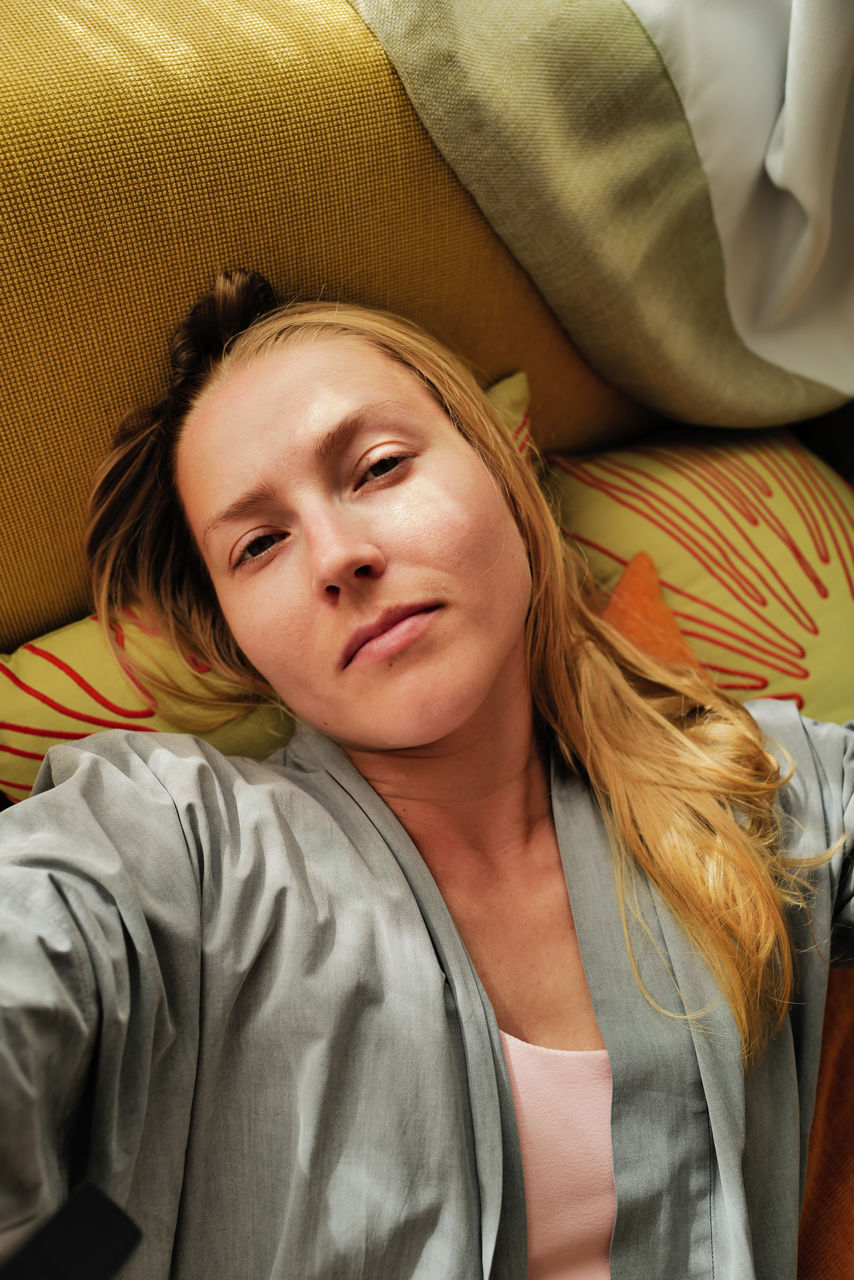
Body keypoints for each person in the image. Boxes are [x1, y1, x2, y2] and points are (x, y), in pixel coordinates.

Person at [0, 269, 851, 1280]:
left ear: (499, 468)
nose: (336, 555)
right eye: (258, 543)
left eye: (375, 467)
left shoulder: (767, 786)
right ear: (235, 636)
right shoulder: (172, 837)